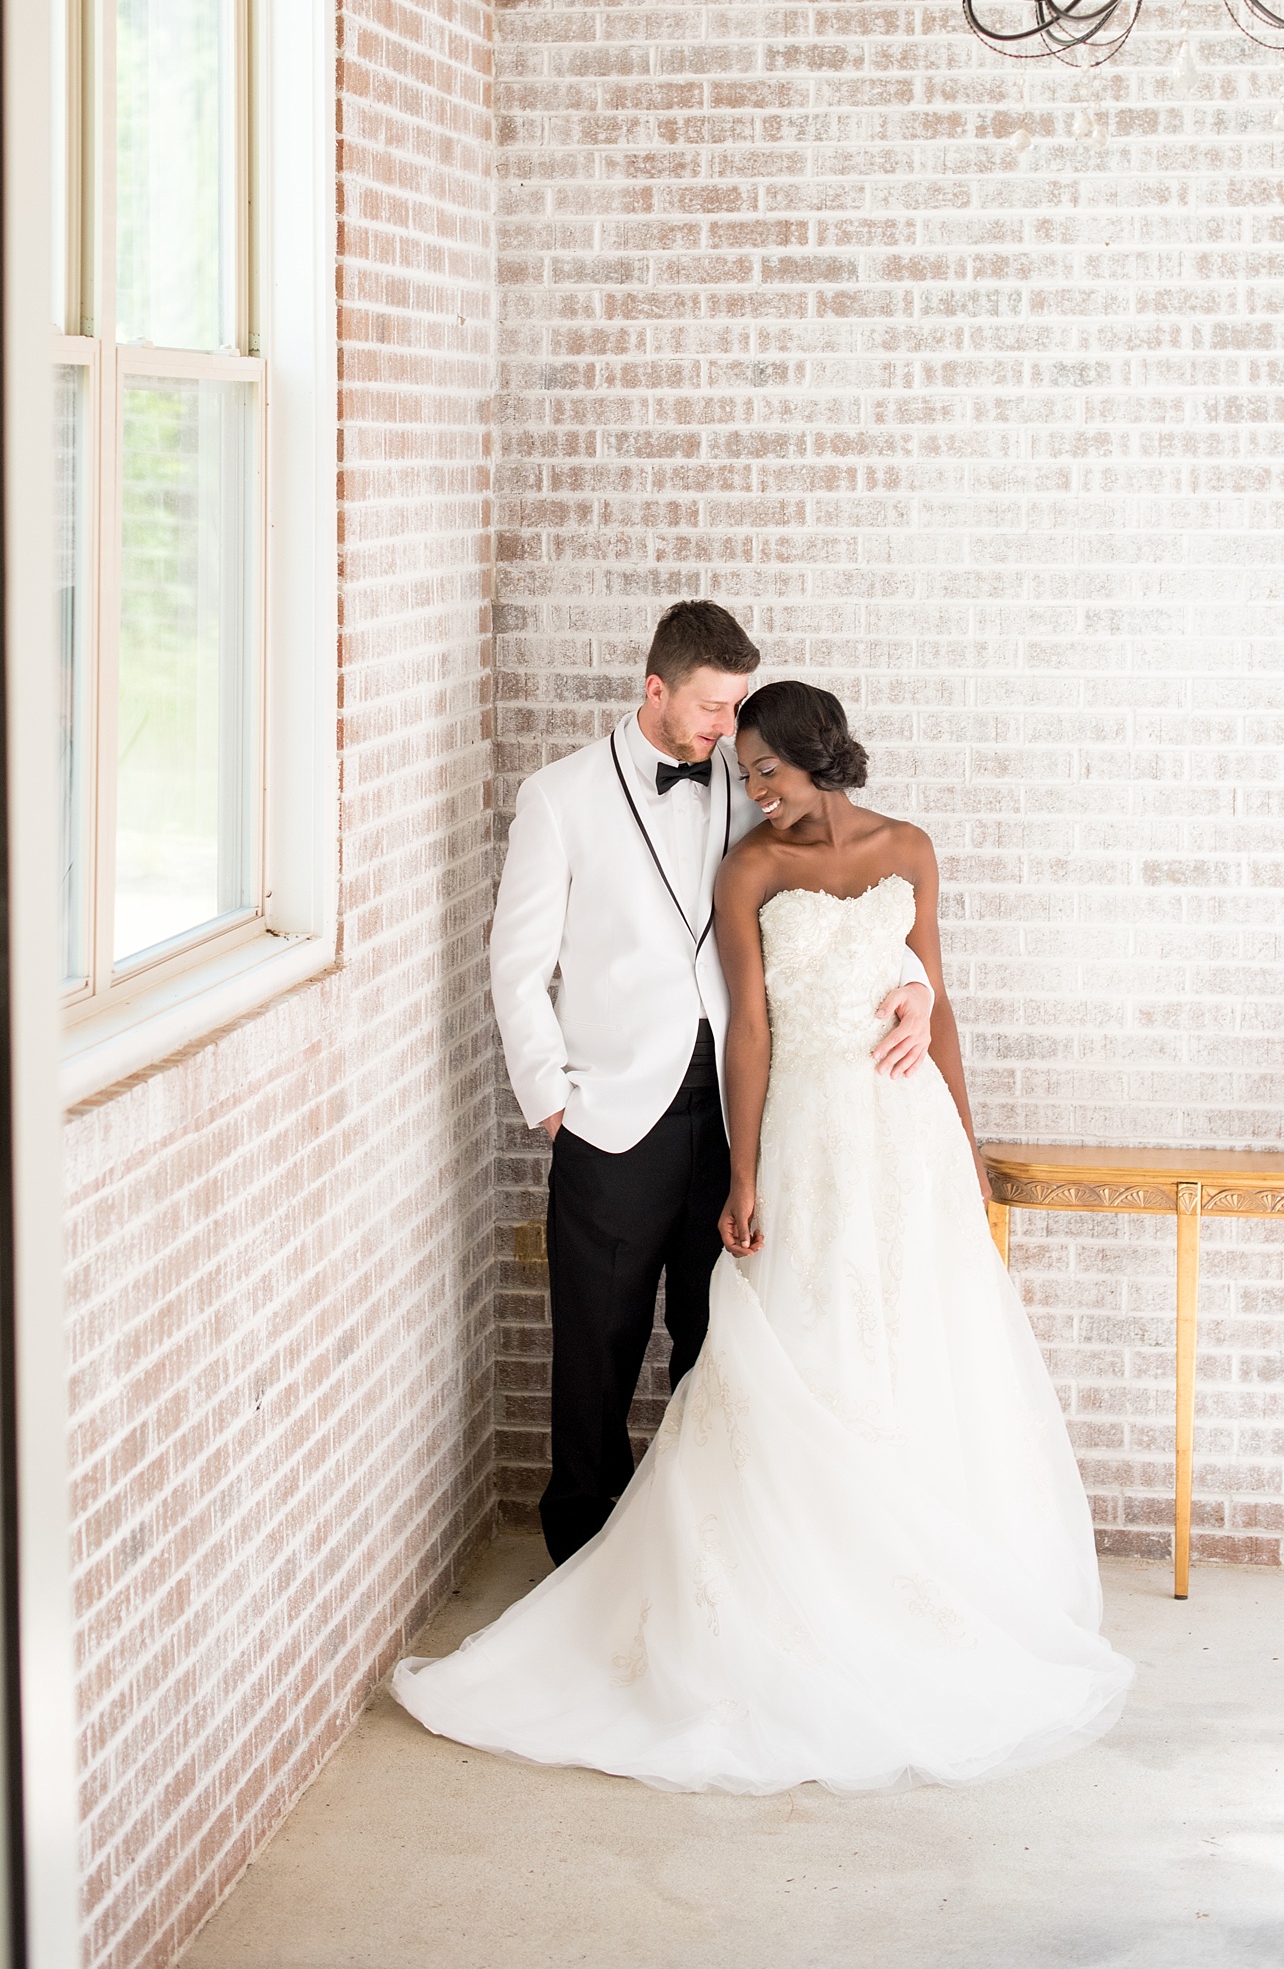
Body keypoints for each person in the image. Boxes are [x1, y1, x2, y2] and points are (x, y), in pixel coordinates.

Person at [392, 679, 1131, 1793]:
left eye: (764, 772)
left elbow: (939, 990)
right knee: (782, 1341)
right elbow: (747, 1021)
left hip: (904, 1140)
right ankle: (727, 1573)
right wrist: (742, 1168)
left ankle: (910, 1571)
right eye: (742, 774)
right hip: (798, 1133)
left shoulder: (910, 846)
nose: (753, 792)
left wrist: (963, 1144)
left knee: (912, 1340)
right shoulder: (750, 863)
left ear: (815, 756)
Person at [487, 603, 936, 1566]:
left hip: (748, 1111)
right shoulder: (559, 798)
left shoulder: (753, 787)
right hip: (611, 1110)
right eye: (712, 707)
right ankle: (582, 1552)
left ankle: (699, 1558)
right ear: (656, 689)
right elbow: (515, 966)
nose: (729, 731)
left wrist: (917, 988)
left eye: (737, 708)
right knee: (596, 1347)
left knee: (721, 1337)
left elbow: (850, 904)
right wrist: (551, 1101)